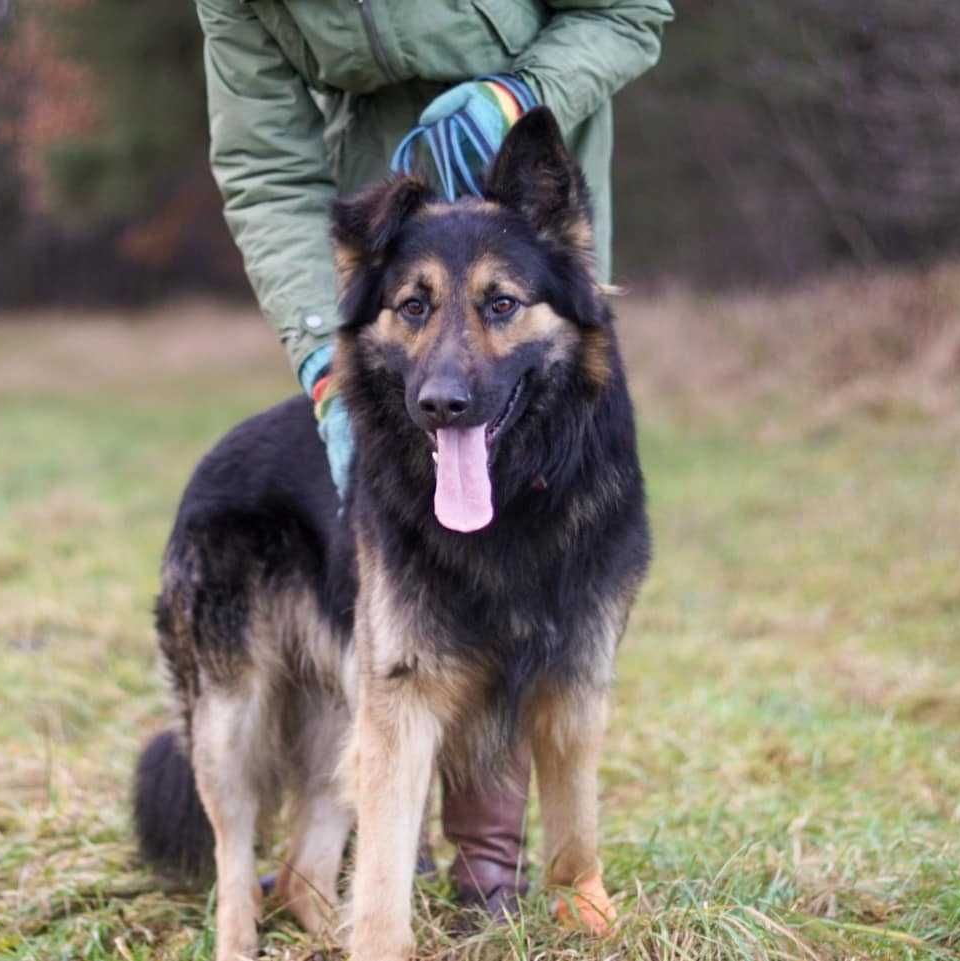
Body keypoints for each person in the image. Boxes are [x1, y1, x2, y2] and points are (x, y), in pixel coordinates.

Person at [194, 0, 672, 920]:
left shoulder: (542, 279)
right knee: (411, 643)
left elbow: (629, 11)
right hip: (380, 226)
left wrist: (520, 90)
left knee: (557, 619)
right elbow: (263, 163)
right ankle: (384, 858)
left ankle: (494, 865)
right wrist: (320, 353)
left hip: (530, 183)